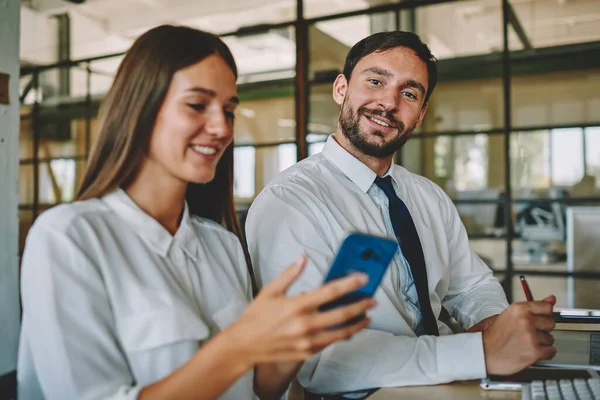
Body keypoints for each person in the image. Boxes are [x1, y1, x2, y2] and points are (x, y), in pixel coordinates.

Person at [17, 25, 377, 400]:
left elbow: (255, 391)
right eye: (196, 105)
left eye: (229, 111)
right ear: (141, 108)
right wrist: (237, 346)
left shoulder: (222, 245)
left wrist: (294, 344)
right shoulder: (69, 237)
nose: (222, 127)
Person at [245, 31, 557, 396]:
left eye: (409, 93)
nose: (388, 103)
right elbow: (320, 362)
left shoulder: (428, 197)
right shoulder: (290, 203)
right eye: (375, 81)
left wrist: (494, 325)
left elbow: (472, 285)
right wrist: (477, 352)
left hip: (449, 382)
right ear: (341, 88)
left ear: (421, 114)